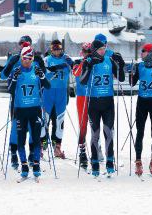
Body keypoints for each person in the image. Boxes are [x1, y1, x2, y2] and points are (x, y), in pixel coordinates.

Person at [78, 34, 125, 177]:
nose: (103, 51)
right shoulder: (88, 61)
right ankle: (95, 163)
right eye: (100, 49)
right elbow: (83, 81)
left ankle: (110, 162)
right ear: (94, 50)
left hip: (108, 102)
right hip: (94, 102)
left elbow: (121, 78)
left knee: (109, 133)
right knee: (95, 134)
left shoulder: (109, 60)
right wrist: (89, 66)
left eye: (104, 48)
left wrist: (120, 64)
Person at [8, 47, 50, 181]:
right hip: (20, 110)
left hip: (35, 109)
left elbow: (47, 86)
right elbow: (10, 90)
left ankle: (36, 165)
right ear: (21, 58)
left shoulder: (36, 70)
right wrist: (14, 79)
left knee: (36, 139)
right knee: (21, 140)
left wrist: (42, 76)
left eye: (30, 59)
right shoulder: (16, 71)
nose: (27, 61)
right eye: (25, 58)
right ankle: (24, 166)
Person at [0, 35, 34, 169]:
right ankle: (13, 152)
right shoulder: (15, 58)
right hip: (17, 99)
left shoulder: (34, 58)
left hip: (32, 99)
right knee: (16, 127)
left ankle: (32, 155)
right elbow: (3, 75)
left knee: (32, 127)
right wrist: (11, 63)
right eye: (22, 43)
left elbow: (44, 76)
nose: (24, 46)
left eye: (27, 43)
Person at [129, 44, 152, 176]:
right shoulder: (140, 66)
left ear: (150, 53)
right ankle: (138, 161)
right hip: (142, 102)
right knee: (140, 132)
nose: (141, 53)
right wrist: (132, 72)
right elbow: (132, 83)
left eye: (143, 51)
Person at [40, 39, 73, 159]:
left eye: (59, 48)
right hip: (48, 93)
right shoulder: (47, 59)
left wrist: (71, 63)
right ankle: (41, 144)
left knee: (59, 121)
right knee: (45, 119)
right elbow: (45, 70)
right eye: (54, 48)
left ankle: (57, 146)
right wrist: (61, 65)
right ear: (51, 49)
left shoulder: (66, 58)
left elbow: (74, 68)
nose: (57, 51)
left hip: (61, 93)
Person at [74, 41, 94, 169]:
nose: (87, 55)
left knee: (95, 124)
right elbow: (76, 73)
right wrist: (84, 62)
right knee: (83, 124)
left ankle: (96, 150)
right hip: (82, 96)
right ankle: (82, 152)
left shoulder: (95, 62)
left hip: (94, 95)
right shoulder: (78, 62)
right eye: (86, 52)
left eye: (89, 52)